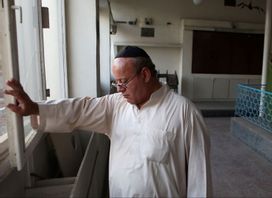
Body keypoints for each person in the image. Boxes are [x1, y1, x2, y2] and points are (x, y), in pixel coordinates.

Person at [5, 46, 212, 197]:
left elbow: (199, 178)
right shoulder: (116, 106)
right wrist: (36, 108)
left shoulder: (184, 112)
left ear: (146, 74)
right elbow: (79, 109)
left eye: (123, 82)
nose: (119, 89)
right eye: (116, 83)